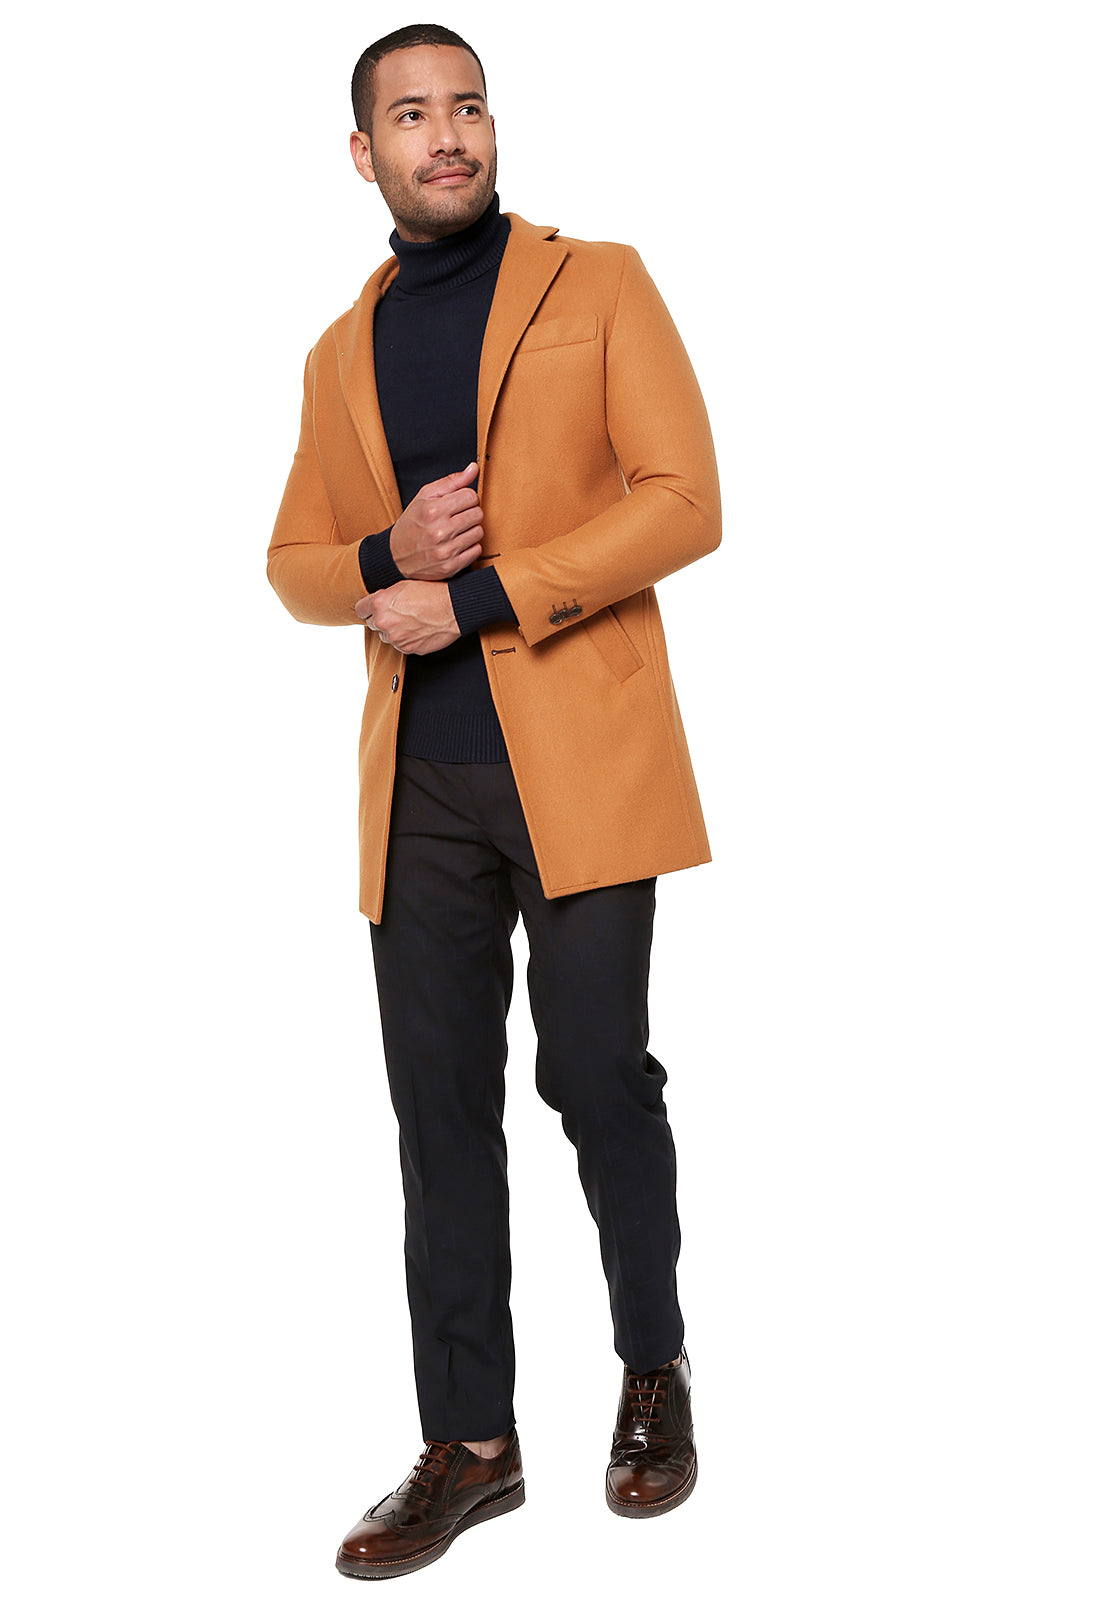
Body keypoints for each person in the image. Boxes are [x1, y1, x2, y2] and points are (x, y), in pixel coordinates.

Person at [267, 23, 721, 1580]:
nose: (445, 134)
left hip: (582, 754)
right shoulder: (341, 349)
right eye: (410, 115)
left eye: (465, 106)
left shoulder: (598, 282)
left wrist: (479, 593)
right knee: (438, 1113)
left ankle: (652, 1367)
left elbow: (686, 503)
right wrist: (387, 556)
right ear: (364, 154)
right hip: (420, 786)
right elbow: (294, 566)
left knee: (597, 1077)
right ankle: (472, 1446)